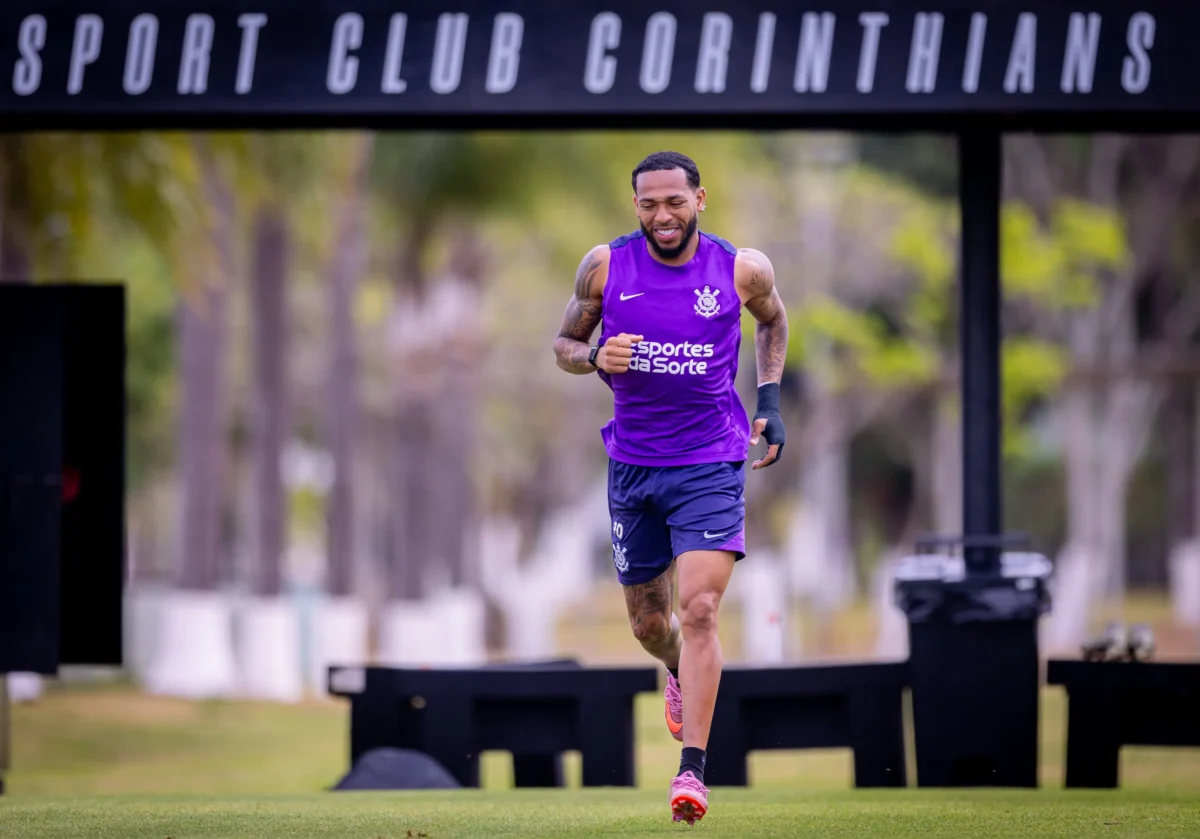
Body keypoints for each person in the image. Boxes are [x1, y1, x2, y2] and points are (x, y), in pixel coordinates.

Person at [552, 151, 788, 824]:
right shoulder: (605, 266)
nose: (663, 216)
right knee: (651, 623)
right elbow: (562, 345)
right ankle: (677, 668)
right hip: (633, 467)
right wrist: (594, 354)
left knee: (703, 607)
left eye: (675, 203)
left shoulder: (742, 269)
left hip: (711, 461)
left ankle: (692, 773)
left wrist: (770, 398)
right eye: (650, 204)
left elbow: (773, 319)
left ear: (700, 200)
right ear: (636, 206)